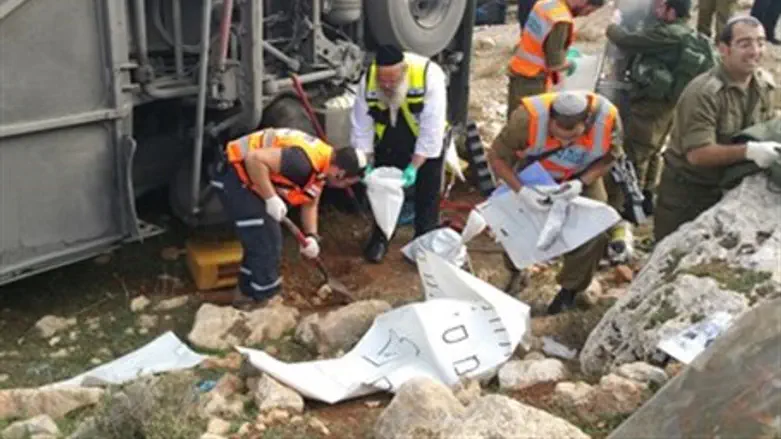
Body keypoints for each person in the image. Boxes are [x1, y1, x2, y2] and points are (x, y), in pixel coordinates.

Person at [486, 91, 625, 315]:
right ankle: (514, 270)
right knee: (514, 223)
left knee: (593, 231)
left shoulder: (608, 119)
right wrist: (521, 191)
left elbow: (611, 157)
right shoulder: (526, 119)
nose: (562, 143)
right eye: (556, 136)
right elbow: (496, 157)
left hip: (581, 176)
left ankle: (570, 288)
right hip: (533, 177)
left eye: (570, 139)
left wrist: (582, 182)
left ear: (586, 123)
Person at [654, 16, 780, 242]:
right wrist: (749, 151)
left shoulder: (764, 85)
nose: (755, 51)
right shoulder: (704, 92)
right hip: (689, 194)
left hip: (731, 190)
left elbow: (767, 127)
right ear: (724, 49)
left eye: (760, 42)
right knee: (672, 260)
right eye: (745, 44)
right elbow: (697, 155)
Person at [214, 127, 367, 308]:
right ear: (340, 173)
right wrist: (271, 197)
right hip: (234, 173)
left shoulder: (322, 164)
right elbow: (254, 159)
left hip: (249, 178)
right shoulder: (302, 162)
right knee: (268, 240)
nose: (344, 187)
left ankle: (245, 296)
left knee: (259, 239)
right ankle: (266, 300)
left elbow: (310, 202)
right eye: (347, 183)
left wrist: (312, 236)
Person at [350, 45, 448, 264]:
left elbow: (431, 130)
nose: (386, 85)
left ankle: (423, 242)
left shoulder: (428, 75)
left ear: (403, 72)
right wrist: (366, 161)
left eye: (392, 81)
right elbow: (361, 126)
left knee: (427, 189)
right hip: (390, 134)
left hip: (423, 137)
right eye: (382, 81)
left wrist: (414, 166)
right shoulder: (368, 81)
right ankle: (381, 236)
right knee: (382, 187)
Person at [606, 0, 706, 211]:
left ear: (672, 11)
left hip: (651, 105)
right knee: (653, 150)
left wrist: (612, 25)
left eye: (662, 6)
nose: (656, 9)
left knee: (636, 153)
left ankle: (631, 204)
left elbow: (626, 40)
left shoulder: (667, 35)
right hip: (666, 104)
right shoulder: (684, 32)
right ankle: (647, 195)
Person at [506, 0, 606, 119]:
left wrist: (564, 52)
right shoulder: (561, 20)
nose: (585, 15)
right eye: (588, 10)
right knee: (529, 121)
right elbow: (555, 64)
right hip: (532, 78)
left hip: (519, 69)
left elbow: (542, 40)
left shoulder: (546, 4)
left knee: (515, 117)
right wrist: (573, 63)